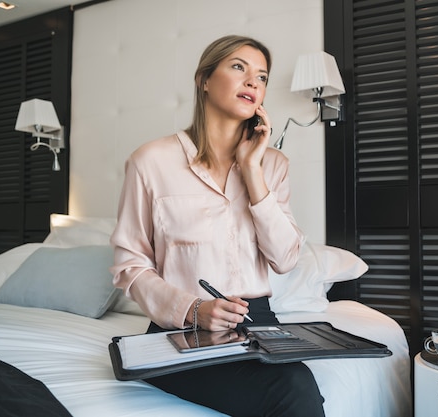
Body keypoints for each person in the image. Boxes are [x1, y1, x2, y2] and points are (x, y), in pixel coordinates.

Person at [110, 35, 325, 417]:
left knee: (296, 384)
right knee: (292, 391)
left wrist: (253, 171)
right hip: (177, 329)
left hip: (257, 323)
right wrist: (193, 309)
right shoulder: (150, 162)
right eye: (238, 67)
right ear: (204, 80)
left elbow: (286, 259)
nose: (252, 82)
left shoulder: (273, 165)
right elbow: (130, 265)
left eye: (261, 77)